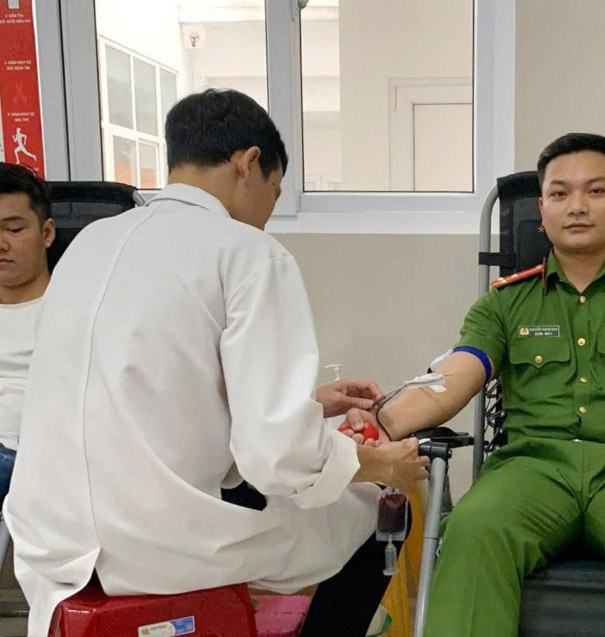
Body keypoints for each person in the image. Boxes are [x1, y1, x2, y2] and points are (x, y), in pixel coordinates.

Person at [4, 89, 428, 637]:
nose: (268, 214)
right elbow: (277, 459)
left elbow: (158, 389)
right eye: (274, 193)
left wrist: (308, 407)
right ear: (249, 163)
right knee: (375, 518)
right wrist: (380, 467)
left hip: (46, 535)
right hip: (152, 547)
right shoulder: (248, 253)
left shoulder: (90, 244)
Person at [345, 133, 605, 636]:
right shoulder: (505, 304)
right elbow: (456, 376)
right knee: (472, 529)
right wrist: (382, 418)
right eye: (559, 193)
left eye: (595, 192)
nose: (576, 206)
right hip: (531, 472)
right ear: (542, 208)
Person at [0, 163, 54, 507]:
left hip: (28, 457)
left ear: (46, 233)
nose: (1, 244)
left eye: (15, 229)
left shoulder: (76, 308)